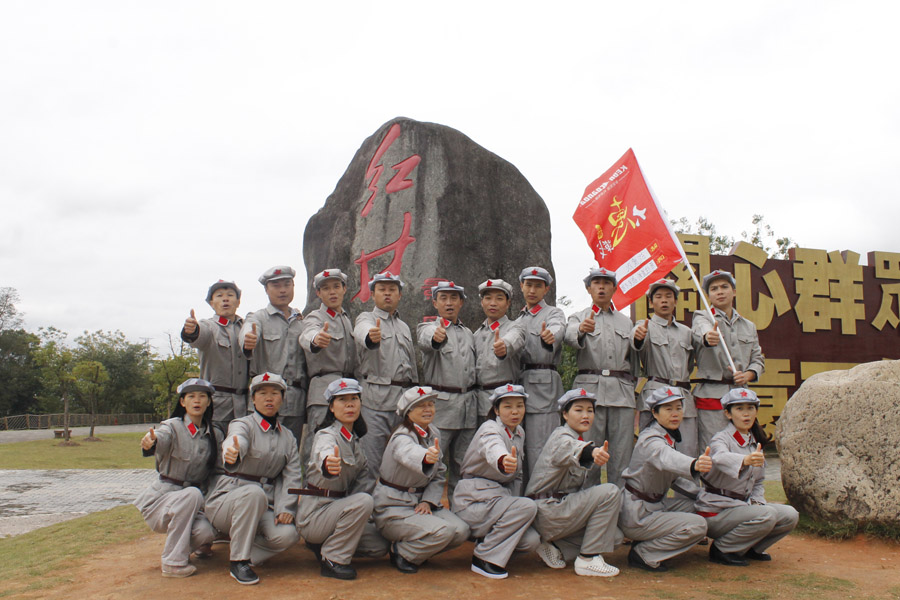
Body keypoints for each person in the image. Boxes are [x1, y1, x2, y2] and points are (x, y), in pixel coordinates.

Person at [204, 373, 302, 585]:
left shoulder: (288, 437)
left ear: (282, 399)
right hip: (227, 501)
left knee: (288, 534)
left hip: (263, 504)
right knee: (253, 493)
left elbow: (292, 475)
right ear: (253, 399)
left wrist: (286, 508)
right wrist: (232, 450)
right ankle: (238, 562)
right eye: (262, 393)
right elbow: (236, 439)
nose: (269, 398)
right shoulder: (243, 424)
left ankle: (249, 553)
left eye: (275, 393)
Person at [294, 378, 389, 580]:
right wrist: (328, 463)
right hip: (316, 515)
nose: (349, 405)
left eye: (354, 399)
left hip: (338, 514)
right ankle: (332, 559)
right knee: (364, 501)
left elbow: (361, 487)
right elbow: (324, 451)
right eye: (342, 400)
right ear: (331, 407)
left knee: (379, 545)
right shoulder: (326, 435)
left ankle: (322, 544)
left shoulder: (355, 442)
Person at [524, 388, 623, 577]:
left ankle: (555, 546)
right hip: (547, 509)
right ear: (565, 414)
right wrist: (593, 452)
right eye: (578, 410)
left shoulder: (578, 437)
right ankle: (587, 559)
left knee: (614, 537)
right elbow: (571, 448)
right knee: (610, 491)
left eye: (590, 410)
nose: (586, 415)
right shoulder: (561, 436)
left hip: (561, 510)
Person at [373, 386, 470, 573]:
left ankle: (417, 550)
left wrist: (428, 501)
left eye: (430, 404)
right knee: (444, 531)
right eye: (421, 406)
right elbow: (407, 452)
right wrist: (425, 457)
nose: (428, 409)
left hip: (419, 503)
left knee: (461, 531)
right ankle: (402, 552)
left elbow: (439, 473)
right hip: (393, 507)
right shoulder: (401, 435)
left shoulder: (433, 432)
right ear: (408, 412)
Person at [696, 388, 797, 566]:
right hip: (716, 511)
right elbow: (719, 457)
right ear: (728, 413)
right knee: (767, 514)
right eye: (739, 408)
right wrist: (745, 460)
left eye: (750, 408)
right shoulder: (721, 439)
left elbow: (758, 482)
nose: (746, 413)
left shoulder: (753, 442)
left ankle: (751, 547)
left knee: (790, 515)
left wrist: (757, 503)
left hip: (741, 509)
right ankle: (722, 549)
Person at [452, 384, 540, 579]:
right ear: (496, 410)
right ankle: (484, 559)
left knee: (531, 541)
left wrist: (513, 508)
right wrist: (502, 460)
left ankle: (486, 542)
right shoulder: (490, 428)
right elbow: (492, 446)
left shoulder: (519, 432)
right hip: (474, 500)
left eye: (519, 406)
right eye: (508, 406)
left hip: (497, 501)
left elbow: (517, 477)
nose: (515, 411)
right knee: (527, 507)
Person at [618, 386, 710, 572]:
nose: (675, 414)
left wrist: (706, 495)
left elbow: (675, 479)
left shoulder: (666, 436)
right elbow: (666, 457)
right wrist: (694, 464)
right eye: (668, 409)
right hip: (637, 513)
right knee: (698, 525)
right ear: (654, 412)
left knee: (700, 505)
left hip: (653, 505)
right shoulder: (650, 439)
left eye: (678, 408)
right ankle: (645, 553)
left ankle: (647, 540)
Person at [134, 378, 219, 577]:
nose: (196, 400)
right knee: (192, 494)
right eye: (191, 396)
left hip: (191, 502)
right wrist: (151, 441)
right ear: (182, 402)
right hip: (161, 502)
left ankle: (180, 550)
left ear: (208, 402)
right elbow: (161, 437)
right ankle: (173, 563)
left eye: (202, 396)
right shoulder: (172, 426)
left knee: (206, 532)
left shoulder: (214, 434)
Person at [564, 267, 639, 486]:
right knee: (588, 451)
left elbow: (634, 362)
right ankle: (588, 500)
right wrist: (581, 329)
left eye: (607, 283)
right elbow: (568, 336)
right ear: (589, 289)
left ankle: (620, 501)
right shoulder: (578, 317)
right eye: (596, 283)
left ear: (614, 289)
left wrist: (631, 387)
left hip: (621, 393)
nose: (601, 287)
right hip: (589, 394)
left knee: (622, 455)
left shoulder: (626, 322)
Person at [631, 279, 709, 459]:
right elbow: (635, 340)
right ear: (651, 302)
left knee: (687, 451)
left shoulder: (686, 332)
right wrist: (638, 337)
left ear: (675, 301)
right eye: (658, 297)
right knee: (652, 452)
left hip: (683, 397)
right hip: (655, 395)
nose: (664, 300)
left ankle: (687, 479)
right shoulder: (644, 326)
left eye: (668, 296)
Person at [691, 270, 765, 450]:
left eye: (724, 287)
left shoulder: (748, 326)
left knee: (741, 447)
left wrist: (748, 374)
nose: (720, 292)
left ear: (734, 292)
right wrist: (708, 337)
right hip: (712, 396)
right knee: (713, 448)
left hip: (741, 396)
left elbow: (758, 359)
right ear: (708, 295)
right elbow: (702, 331)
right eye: (714, 289)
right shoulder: (702, 317)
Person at [353, 271, 417, 479]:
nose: (387, 294)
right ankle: (368, 498)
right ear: (373, 295)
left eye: (392, 290)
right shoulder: (367, 318)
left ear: (400, 295)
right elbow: (362, 330)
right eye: (382, 290)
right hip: (376, 402)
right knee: (372, 461)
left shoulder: (403, 326)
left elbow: (412, 366)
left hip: (402, 403)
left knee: (400, 459)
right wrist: (370, 336)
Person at [416, 280, 477, 496]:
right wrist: (436, 337)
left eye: (453, 298)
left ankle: (460, 506)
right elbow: (426, 339)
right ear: (435, 303)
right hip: (442, 408)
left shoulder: (469, 333)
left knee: (464, 465)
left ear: (461, 302)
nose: (449, 303)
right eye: (443, 298)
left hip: (468, 408)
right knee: (434, 460)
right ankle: (429, 504)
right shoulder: (428, 327)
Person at [240, 266, 307, 447]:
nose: (282, 290)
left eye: (287, 284)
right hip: (266, 398)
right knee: (262, 451)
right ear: (266, 289)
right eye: (276, 286)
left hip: (295, 401)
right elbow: (248, 329)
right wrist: (248, 340)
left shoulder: (301, 322)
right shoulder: (258, 317)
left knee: (290, 451)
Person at [299, 268, 357, 462]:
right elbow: (307, 334)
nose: (332, 292)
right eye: (325, 288)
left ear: (344, 289)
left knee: (344, 445)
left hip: (347, 389)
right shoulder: (315, 317)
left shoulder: (346, 320)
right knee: (317, 446)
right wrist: (316, 339)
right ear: (318, 293)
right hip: (324, 391)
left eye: (336, 286)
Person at [515, 266, 566, 479]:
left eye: (538, 286)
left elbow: (558, 327)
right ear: (521, 286)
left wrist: (550, 336)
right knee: (521, 447)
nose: (532, 290)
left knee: (541, 446)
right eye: (528, 285)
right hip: (520, 387)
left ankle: (543, 493)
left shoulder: (553, 313)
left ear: (546, 289)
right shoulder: (519, 319)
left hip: (544, 387)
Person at [181, 279, 249, 434]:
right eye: (219, 296)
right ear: (211, 303)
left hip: (243, 405)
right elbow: (199, 335)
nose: (225, 299)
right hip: (217, 405)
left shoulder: (246, 327)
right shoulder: (209, 326)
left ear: (238, 302)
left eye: (230, 295)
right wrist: (192, 331)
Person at [473, 279, 525, 424]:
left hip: (506, 401)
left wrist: (504, 347)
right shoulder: (476, 334)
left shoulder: (515, 327)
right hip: (478, 403)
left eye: (499, 298)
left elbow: (514, 339)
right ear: (482, 302)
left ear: (508, 303)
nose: (493, 303)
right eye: (488, 298)